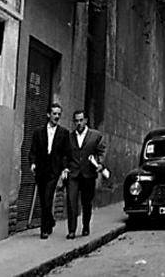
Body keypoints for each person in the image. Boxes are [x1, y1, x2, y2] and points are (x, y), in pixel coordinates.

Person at [28, 102, 71, 239]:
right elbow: (33, 150)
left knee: (47, 198)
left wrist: (65, 168)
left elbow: (66, 153)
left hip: (54, 170)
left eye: (59, 114)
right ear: (48, 115)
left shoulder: (64, 133)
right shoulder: (38, 132)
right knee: (43, 199)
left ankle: (44, 229)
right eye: (54, 114)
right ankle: (50, 220)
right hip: (41, 169)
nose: (57, 116)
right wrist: (33, 163)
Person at [65, 109, 106, 239]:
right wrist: (65, 168)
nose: (79, 123)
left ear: (86, 121)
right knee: (71, 202)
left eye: (81, 120)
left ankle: (86, 226)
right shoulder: (69, 137)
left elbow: (101, 152)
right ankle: (71, 230)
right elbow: (65, 155)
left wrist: (100, 163)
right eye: (76, 121)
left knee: (86, 202)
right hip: (73, 174)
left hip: (88, 174)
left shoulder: (95, 136)